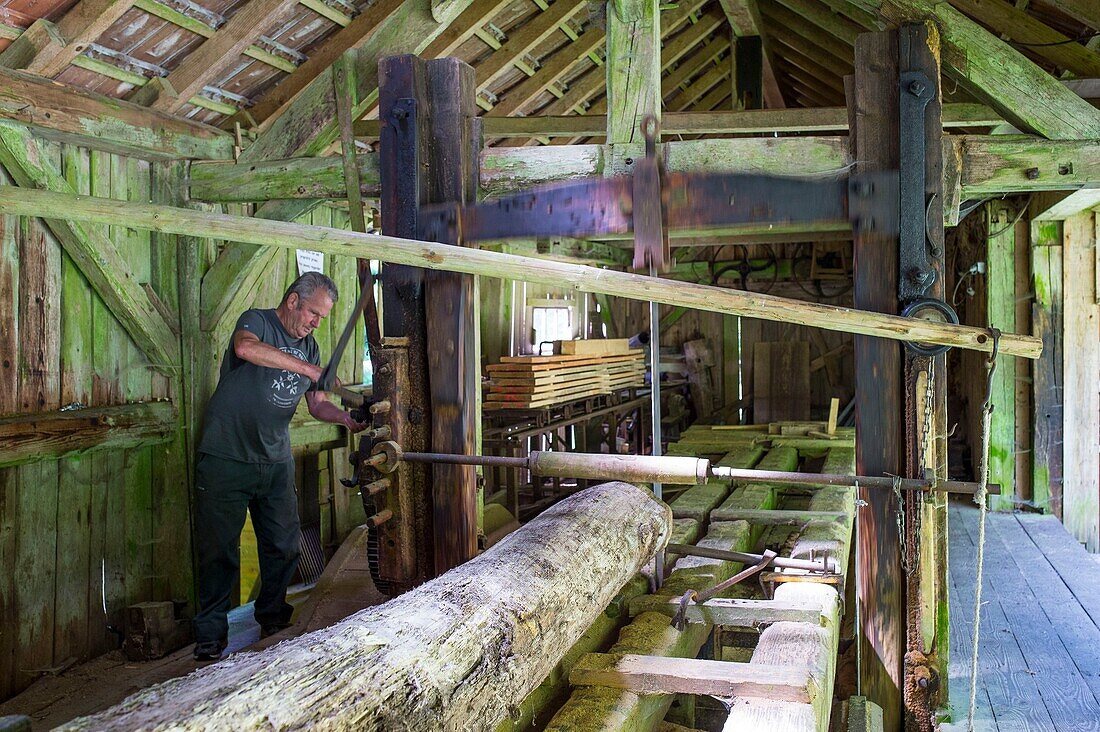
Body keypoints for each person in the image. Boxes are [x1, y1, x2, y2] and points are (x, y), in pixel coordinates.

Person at [192, 272, 367, 661]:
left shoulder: (313, 348)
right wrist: (308, 370)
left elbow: (317, 403)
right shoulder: (257, 321)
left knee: (284, 547)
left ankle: (271, 618)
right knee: (218, 550)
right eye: (312, 313)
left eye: (322, 318)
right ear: (292, 301)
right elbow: (245, 350)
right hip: (226, 457)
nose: (315, 323)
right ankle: (210, 638)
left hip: (274, 460)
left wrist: (345, 418)